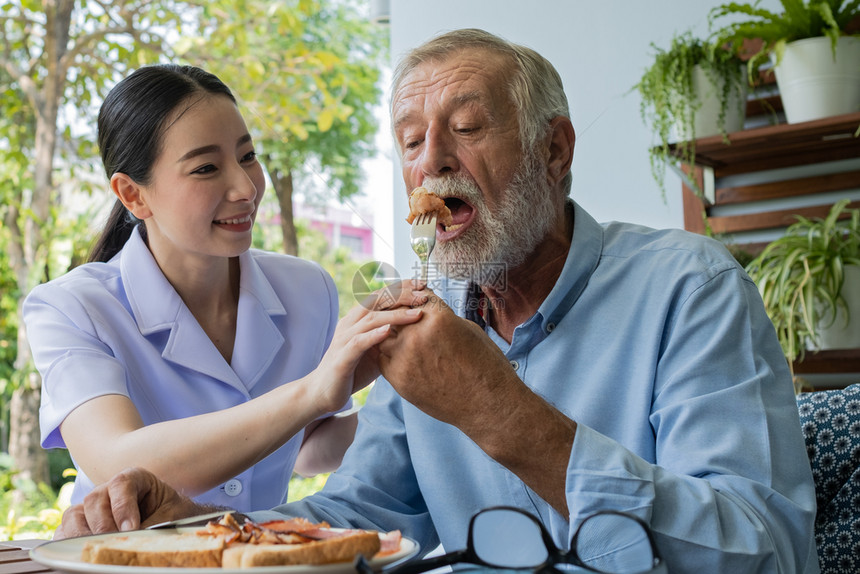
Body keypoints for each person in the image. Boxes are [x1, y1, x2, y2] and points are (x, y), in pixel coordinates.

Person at [58, 31, 819, 572]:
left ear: (555, 151)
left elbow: (765, 552)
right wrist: (196, 529)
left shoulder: (691, 288)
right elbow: (356, 522)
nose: (433, 164)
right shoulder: (425, 316)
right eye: (411, 141)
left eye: (465, 129)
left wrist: (501, 414)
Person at [23, 64, 424, 513]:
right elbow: (118, 464)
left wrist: (410, 399)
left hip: (254, 556)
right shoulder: (70, 307)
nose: (245, 188)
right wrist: (313, 390)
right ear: (133, 194)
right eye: (207, 167)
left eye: (248, 156)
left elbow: (307, 449)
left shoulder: (308, 288)